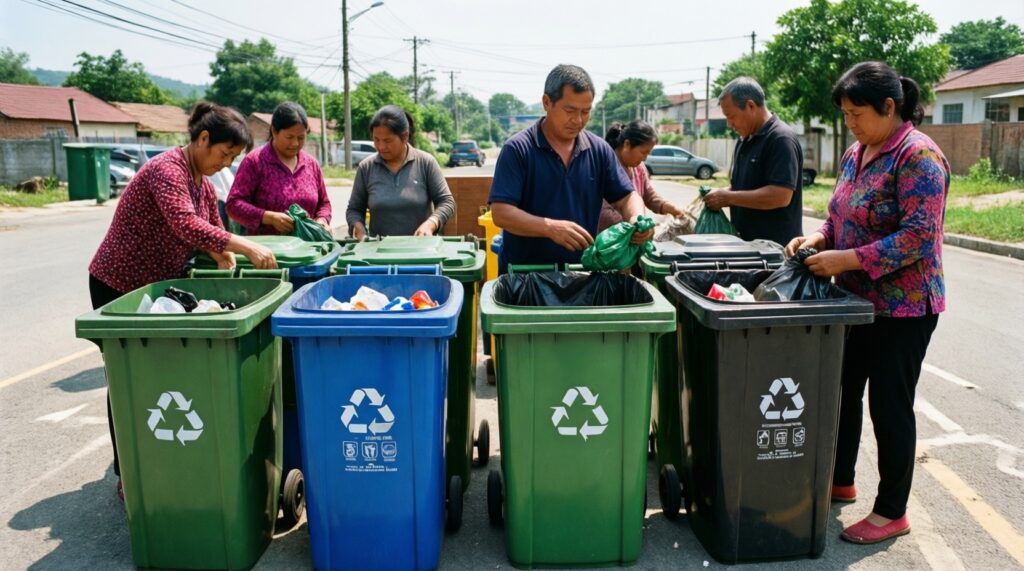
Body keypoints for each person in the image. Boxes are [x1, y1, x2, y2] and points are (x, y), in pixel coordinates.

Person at [784, 62, 948, 545]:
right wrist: (816, 238)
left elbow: (919, 237)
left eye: (857, 114)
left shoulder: (919, 157)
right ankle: (840, 480)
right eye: (846, 115)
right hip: (853, 301)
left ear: (889, 107)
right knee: (843, 392)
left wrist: (847, 259)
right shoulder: (858, 152)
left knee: (890, 406)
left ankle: (892, 510)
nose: (850, 124)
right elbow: (840, 216)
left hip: (904, 307)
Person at [88, 101, 277, 500]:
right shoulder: (166, 170)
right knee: (128, 380)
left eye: (233, 159)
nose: (225, 165)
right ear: (202, 139)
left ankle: (163, 455)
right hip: (120, 284)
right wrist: (242, 244)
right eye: (224, 154)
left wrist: (221, 251)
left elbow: (209, 226)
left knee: (161, 376)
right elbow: (184, 221)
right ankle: (131, 474)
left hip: (157, 290)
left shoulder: (202, 182)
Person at [489, 64, 651, 273]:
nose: (578, 120)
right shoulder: (519, 149)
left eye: (586, 112)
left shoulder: (599, 150)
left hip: (582, 274)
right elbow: (501, 213)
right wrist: (550, 228)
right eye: (570, 110)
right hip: (525, 277)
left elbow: (628, 196)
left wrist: (636, 219)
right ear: (547, 102)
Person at [703, 76, 803, 246]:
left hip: (775, 252)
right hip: (747, 248)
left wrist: (728, 198)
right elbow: (741, 188)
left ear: (750, 106)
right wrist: (719, 195)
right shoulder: (744, 140)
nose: (729, 124)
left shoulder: (780, 138)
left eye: (731, 116)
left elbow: (780, 196)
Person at [345, 105, 455, 239]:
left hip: (422, 251)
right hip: (379, 253)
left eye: (387, 140)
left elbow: (446, 201)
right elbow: (354, 209)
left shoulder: (426, 162)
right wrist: (358, 227)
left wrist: (431, 223)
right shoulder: (366, 167)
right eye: (376, 140)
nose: (381, 146)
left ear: (405, 137)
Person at [227, 102, 332, 235]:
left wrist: (322, 220)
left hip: (308, 250)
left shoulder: (311, 164)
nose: (295, 143)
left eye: (301, 137)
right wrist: (269, 217)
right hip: (268, 250)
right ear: (274, 131)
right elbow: (233, 205)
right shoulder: (255, 161)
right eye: (289, 137)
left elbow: (324, 204)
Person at [598, 120, 686, 232]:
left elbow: (649, 196)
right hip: (610, 239)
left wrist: (669, 208)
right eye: (643, 152)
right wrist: (634, 228)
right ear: (627, 144)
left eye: (648, 153)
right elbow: (602, 211)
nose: (645, 158)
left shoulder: (639, 168)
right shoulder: (605, 167)